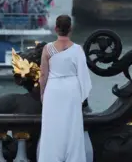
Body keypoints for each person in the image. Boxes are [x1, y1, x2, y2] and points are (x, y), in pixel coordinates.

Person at [38, 15, 92, 162]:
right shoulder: (77, 50)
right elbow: (83, 75)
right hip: (72, 90)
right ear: (71, 29)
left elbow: (43, 74)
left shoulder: (47, 49)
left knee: (52, 126)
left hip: (53, 90)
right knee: (72, 127)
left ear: (56, 28)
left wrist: (43, 93)